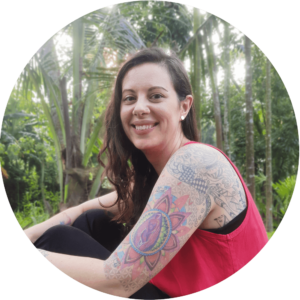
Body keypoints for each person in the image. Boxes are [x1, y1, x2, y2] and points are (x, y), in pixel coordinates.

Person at [23, 48, 269, 298]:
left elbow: (119, 280)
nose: (139, 108)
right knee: (94, 221)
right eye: (129, 98)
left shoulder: (196, 164)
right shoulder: (155, 177)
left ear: (184, 106)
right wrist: (29, 234)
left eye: (155, 96)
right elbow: (82, 210)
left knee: (57, 240)